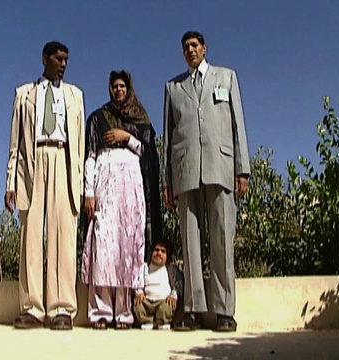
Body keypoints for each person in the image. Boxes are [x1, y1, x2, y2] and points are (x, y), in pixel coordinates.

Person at [162, 31, 251, 332]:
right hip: (185, 170)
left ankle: (225, 311)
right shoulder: (173, 88)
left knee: (222, 240)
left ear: (204, 48)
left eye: (195, 45)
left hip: (221, 165)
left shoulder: (226, 77)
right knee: (190, 244)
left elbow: (238, 123)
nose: (190, 50)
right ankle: (193, 310)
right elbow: (169, 136)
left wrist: (242, 169)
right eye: (185, 47)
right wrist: (167, 180)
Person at [4, 41, 85, 331]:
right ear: (44, 59)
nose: (62, 64)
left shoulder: (75, 95)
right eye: (58, 58)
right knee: (31, 236)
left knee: (64, 235)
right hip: (33, 161)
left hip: (63, 159)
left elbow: (81, 144)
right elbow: (14, 143)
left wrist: (81, 184)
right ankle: (32, 308)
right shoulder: (24, 94)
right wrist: (10, 181)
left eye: (66, 59)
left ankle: (62, 308)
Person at [81, 70, 162, 330]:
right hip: (105, 181)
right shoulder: (97, 117)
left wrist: (126, 137)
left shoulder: (140, 118)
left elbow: (148, 152)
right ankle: (100, 313)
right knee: (104, 245)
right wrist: (89, 192)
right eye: (114, 86)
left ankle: (124, 314)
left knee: (128, 246)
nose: (118, 90)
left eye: (122, 86)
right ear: (109, 89)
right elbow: (90, 156)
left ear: (129, 89)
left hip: (131, 184)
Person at [133, 238, 184, 330]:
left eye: (163, 251)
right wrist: (139, 292)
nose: (159, 253)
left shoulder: (171, 269)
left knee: (166, 307)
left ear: (168, 257)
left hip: (163, 301)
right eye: (156, 250)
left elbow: (178, 284)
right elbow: (137, 281)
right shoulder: (144, 267)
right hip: (147, 301)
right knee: (138, 306)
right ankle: (148, 321)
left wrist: (173, 295)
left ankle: (162, 321)